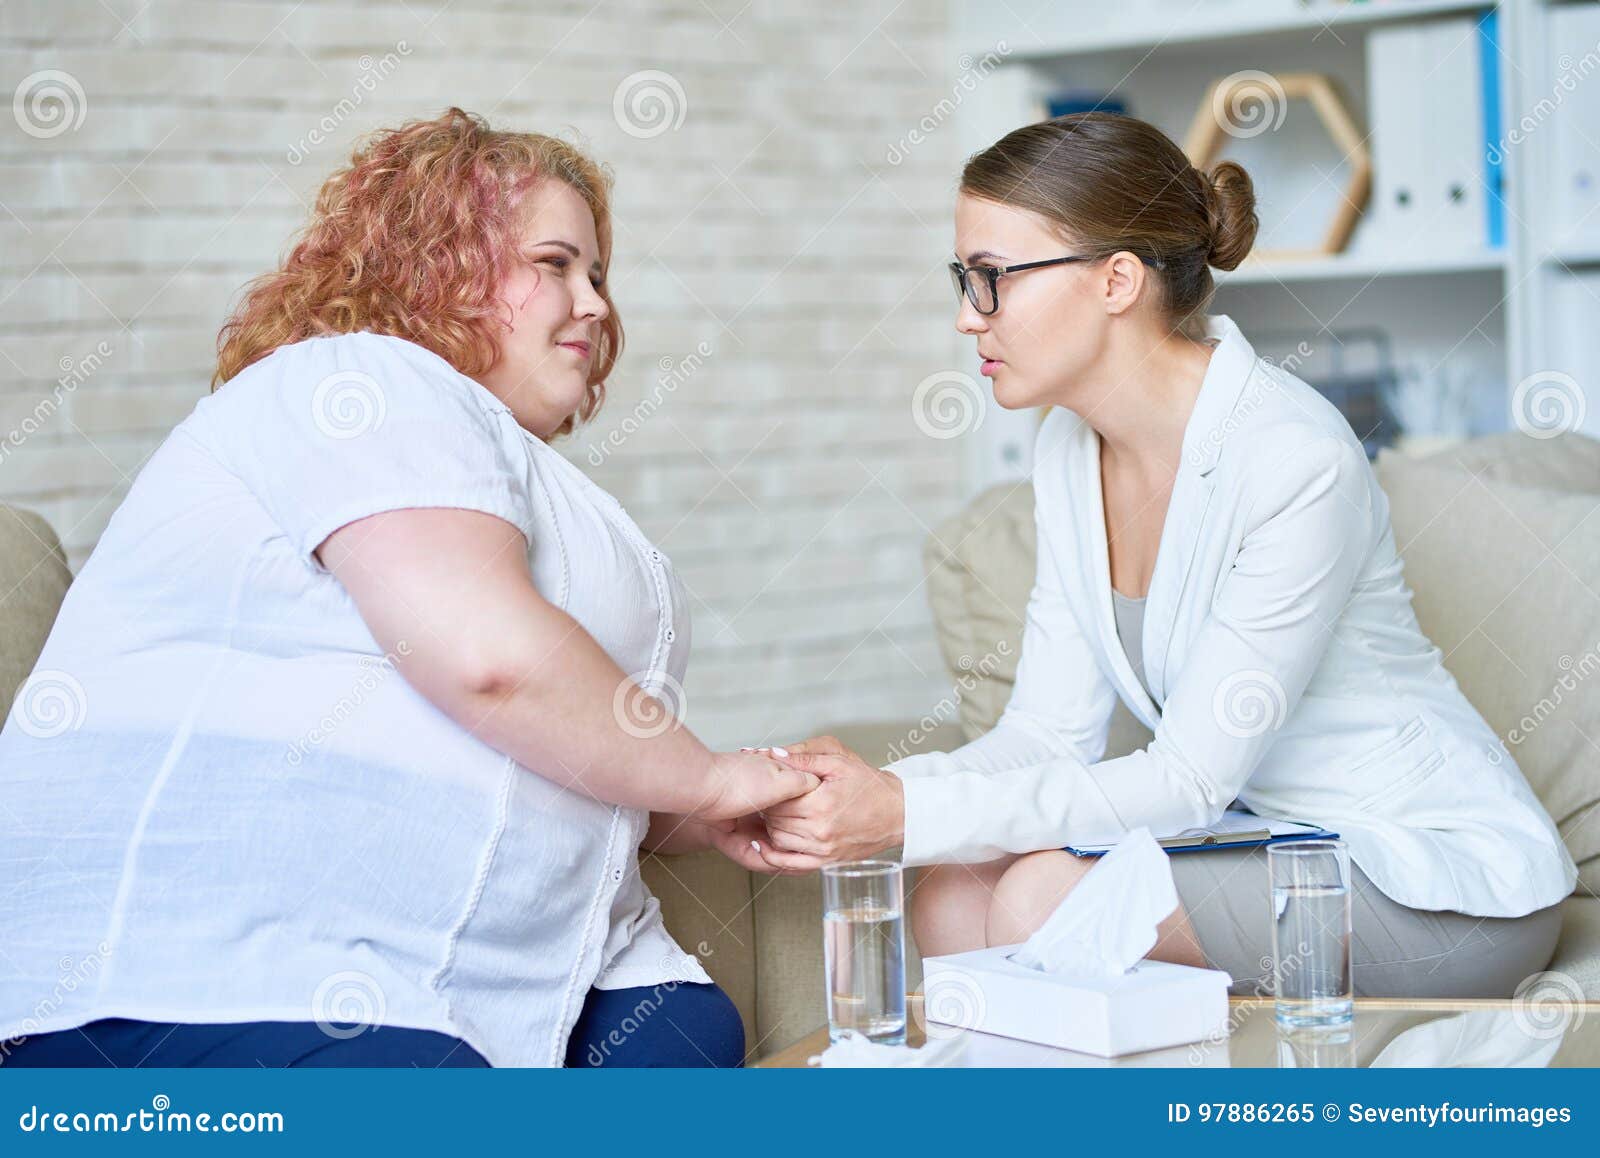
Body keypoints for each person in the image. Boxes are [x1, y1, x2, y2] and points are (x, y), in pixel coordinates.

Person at [0, 107, 812, 1068]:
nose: (593, 303)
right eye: (554, 264)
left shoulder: (529, 478)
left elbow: (559, 752)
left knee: (688, 1034)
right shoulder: (355, 382)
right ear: (434, 264)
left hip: (542, 978)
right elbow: (492, 665)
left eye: (598, 274)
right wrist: (714, 776)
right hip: (237, 976)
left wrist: (716, 806)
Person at [751, 112, 1576, 999]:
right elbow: (1044, 735)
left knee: (1042, 896)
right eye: (963, 279)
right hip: (1269, 843)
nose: (965, 317)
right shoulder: (1070, 449)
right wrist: (868, 789)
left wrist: (906, 812)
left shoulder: (1293, 455)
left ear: (1116, 280)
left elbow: (1186, 781)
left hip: (1434, 881)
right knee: (957, 890)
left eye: (991, 279)